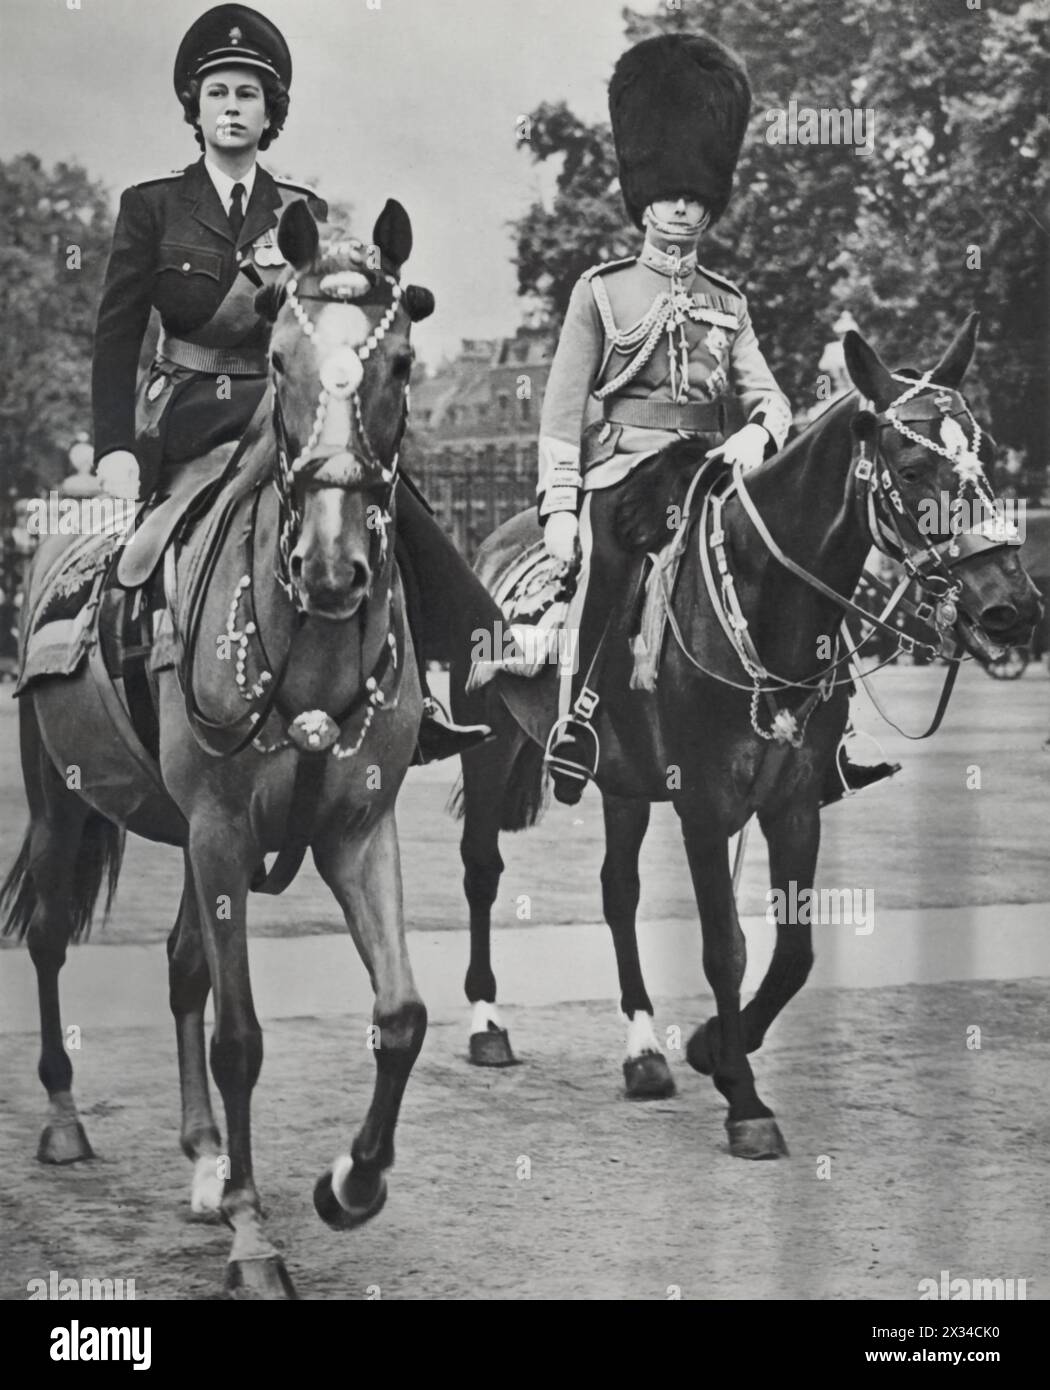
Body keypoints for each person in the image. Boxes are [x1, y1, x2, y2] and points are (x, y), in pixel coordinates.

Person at [91, 3, 490, 762]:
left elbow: (327, 325)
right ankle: (127, 683)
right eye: (218, 93)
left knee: (380, 497)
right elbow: (115, 338)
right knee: (138, 556)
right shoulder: (150, 207)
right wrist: (112, 445)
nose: (233, 107)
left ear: (270, 112)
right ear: (195, 107)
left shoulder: (301, 210)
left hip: (288, 407)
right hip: (188, 410)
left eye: (249, 95)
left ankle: (435, 681)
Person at [537, 32, 898, 805]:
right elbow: (563, 410)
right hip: (623, 471)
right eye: (670, 193)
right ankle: (578, 724)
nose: (682, 206)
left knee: (803, 571)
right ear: (644, 195)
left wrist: (756, 433)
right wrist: (559, 506)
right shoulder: (600, 292)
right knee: (603, 565)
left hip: (706, 474)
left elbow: (769, 395)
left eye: (697, 196)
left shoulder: (729, 303)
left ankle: (835, 733)